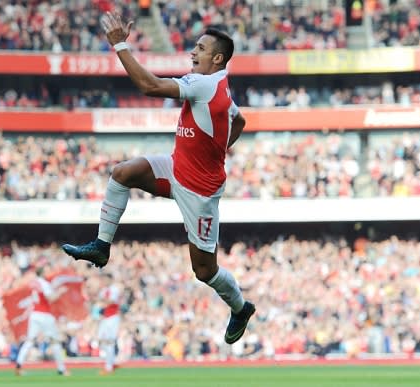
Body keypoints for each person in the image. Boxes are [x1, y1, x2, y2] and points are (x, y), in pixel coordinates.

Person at [62, 12, 255, 344]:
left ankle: (240, 308)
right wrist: (215, 151)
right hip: (177, 168)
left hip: (199, 192)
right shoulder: (220, 86)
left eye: (200, 48)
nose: (193, 53)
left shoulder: (203, 83)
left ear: (217, 58)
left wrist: (120, 44)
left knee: (205, 271)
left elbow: (150, 85)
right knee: (122, 173)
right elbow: (239, 122)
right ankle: (101, 246)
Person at [15, 264, 70, 376]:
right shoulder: (44, 283)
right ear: (43, 272)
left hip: (35, 314)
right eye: (47, 270)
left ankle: (19, 365)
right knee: (54, 341)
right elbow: (51, 297)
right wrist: (60, 292)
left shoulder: (33, 283)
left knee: (30, 341)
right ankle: (61, 369)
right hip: (44, 315)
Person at [96, 273, 121, 375]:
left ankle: (109, 367)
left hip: (112, 317)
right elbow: (100, 303)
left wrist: (101, 300)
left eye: (106, 279)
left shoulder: (114, 290)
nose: (104, 281)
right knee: (101, 340)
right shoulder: (103, 291)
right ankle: (112, 362)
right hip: (105, 318)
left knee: (109, 341)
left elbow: (110, 301)